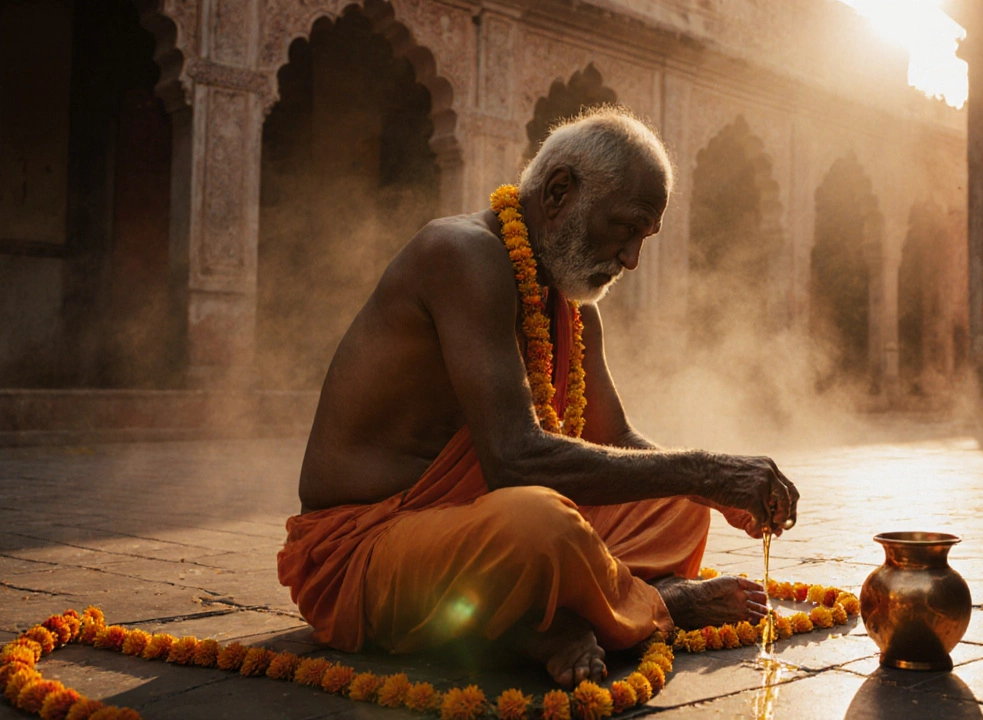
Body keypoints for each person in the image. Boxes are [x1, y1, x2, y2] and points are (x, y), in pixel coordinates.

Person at [276, 106, 799, 688]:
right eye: (624, 228)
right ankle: (658, 606)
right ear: (557, 192)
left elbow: (615, 439)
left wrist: (705, 488)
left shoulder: (572, 306)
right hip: (367, 547)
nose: (630, 258)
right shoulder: (461, 254)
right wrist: (703, 470)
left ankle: (545, 615)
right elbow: (514, 460)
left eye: (643, 238)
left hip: (479, 531)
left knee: (675, 506)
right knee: (538, 524)